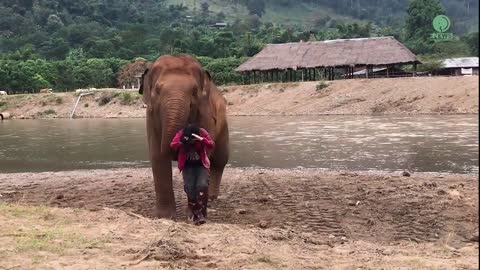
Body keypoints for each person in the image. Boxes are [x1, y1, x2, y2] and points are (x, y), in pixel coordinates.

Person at [170, 123, 215, 225]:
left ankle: (201, 214)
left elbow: (211, 144)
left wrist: (201, 139)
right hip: (187, 166)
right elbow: (173, 144)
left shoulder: (202, 132)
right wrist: (182, 142)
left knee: (202, 185)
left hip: (201, 165)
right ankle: (195, 213)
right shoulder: (182, 133)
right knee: (190, 188)